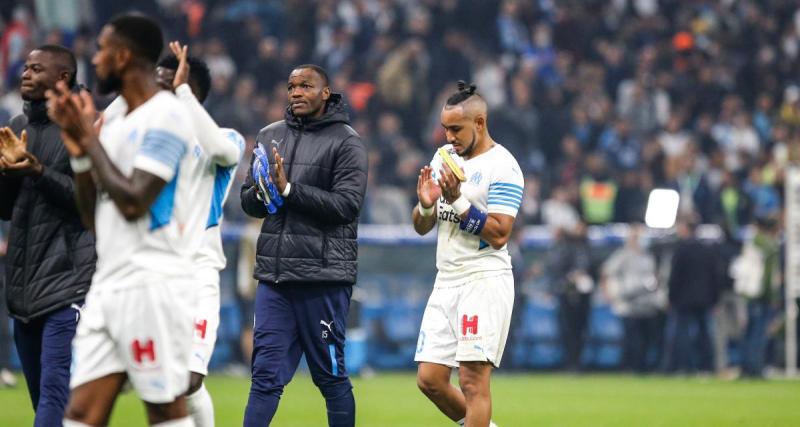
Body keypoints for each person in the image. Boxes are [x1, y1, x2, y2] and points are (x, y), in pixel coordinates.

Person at [46, 15, 200, 426]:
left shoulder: (167, 115)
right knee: (80, 413)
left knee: (164, 410)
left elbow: (133, 201)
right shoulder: (115, 123)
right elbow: (93, 217)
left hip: (153, 283)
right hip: (109, 283)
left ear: (124, 55)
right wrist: (80, 152)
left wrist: (90, 140)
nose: (94, 59)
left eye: (101, 49)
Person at [240, 64, 367, 427]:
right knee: (264, 378)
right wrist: (263, 193)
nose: (296, 92)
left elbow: (347, 206)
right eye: (292, 85)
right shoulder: (269, 136)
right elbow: (248, 201)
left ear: (326, 93)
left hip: (322, 278)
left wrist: (289, 191)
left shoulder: (347, 142)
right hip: (275, 278)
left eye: (306, 86)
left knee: (329, 377)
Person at [412, 81, 524, 427]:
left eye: (456, 129)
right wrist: (426, 206)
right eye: (445, 128)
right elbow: (421, 225)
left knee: (473, 381)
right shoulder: (443, 159)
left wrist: (458, 200)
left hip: (483, 280)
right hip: (446, 280)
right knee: (429, 379)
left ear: (479, 123)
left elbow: (500, 234)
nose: (449, 137)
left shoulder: (503, 166)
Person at [0, 44, 94, 425]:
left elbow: (90, 205)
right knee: (44, 400)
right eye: (25, 67)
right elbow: (6, 210)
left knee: (55, 393)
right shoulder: (18, 128)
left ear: (62, 78)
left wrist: (38, 171)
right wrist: (6, 174)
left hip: (67, 282)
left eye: (36, 68)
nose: (26, 73)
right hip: (24, 287)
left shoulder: (81, 127)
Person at [154, 41, 245, 427]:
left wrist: (183, 94)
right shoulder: (150, 140)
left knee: (189, 379)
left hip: (197, 272)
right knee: (158, 383)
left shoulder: (226, 138)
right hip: (153, 269)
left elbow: (225, 152)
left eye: (166, 85)